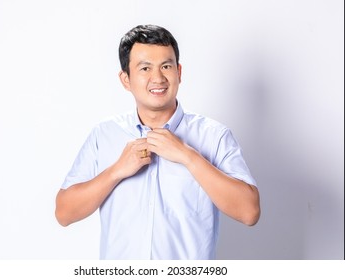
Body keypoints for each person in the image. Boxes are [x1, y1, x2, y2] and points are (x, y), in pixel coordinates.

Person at [55, 24, 260, 260]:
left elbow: (249, 212)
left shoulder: (214, 136)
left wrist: (188, 156)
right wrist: (116, 171)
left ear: (179, 72)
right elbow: (64, 212)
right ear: (125, 79)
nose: (158, 78)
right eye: (145, 68)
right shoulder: (104, 135)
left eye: (166, 66)